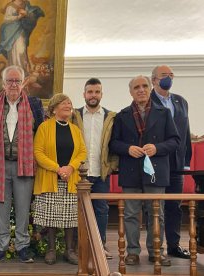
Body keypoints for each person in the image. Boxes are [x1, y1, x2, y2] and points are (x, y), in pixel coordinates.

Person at [109, 75, 180, 266]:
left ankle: (156, 251)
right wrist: (127, 149)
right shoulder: (122, 115)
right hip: (131, 171)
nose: (141, 90)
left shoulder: (164, 113)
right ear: (130, 92)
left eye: (144, 86)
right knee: (131, 214)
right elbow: (113, 143)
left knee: (157, 214)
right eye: (136, 87)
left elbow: (175, 141)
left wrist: (157, 148)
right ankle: (132, 252)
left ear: (150, 88)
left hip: (156, 171)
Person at [0, 65, 44, 263]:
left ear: (23, 83)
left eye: (17, 81)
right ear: (3, 83)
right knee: (1, 208)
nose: (13, 84)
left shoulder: (34, 104)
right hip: (0, 165)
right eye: (9, 81)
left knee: (22, 207)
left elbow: (41, 133)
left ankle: (22, 247)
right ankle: (1, 247)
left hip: (24, 164)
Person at [33, 94, 87, 265]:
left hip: (70, 179)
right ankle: (51, 249)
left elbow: (82, 152)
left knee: (70, 218)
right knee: (51, 217)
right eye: (64, 103)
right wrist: (58, 168)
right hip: (50, 178)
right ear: (54, 108)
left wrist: (70, 167)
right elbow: (38, 153)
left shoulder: (75, 130)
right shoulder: (44, 127)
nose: (68, 105)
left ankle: (69, 250)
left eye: (70, 103)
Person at [72, 78, 117, 259]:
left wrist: (111, 166)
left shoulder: (110, 117)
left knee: (101, 210)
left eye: (96, 92)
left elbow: (115, 144)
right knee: (77, 210)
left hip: (100, 173)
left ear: (101, 94)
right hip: (79, 172)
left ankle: (101, 245)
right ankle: (77, 246)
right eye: (90, 92)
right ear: (84, 94)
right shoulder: (74, 116)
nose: (93, 95)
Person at [150, 65, 192, 259]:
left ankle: (174, 245)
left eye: (171, 75)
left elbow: (185, 134)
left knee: (174, 204)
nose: (168, 78)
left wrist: (186, 161)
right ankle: (155, 248)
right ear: (154, 80)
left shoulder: (180, 101)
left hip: (177, 162)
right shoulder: (146, 100)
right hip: (156, 160)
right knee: (155, 207)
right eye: (164, 75)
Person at [0, 0, 44, 73]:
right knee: (14, 51)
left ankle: (23, 71)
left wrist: (27, 14)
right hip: (11, 32)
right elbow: (6, 18)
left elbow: (31, 16)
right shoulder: (10, 6)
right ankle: (15, 72)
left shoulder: (26, 4)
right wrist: (19, 17)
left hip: (21, 30)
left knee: (22, 50)